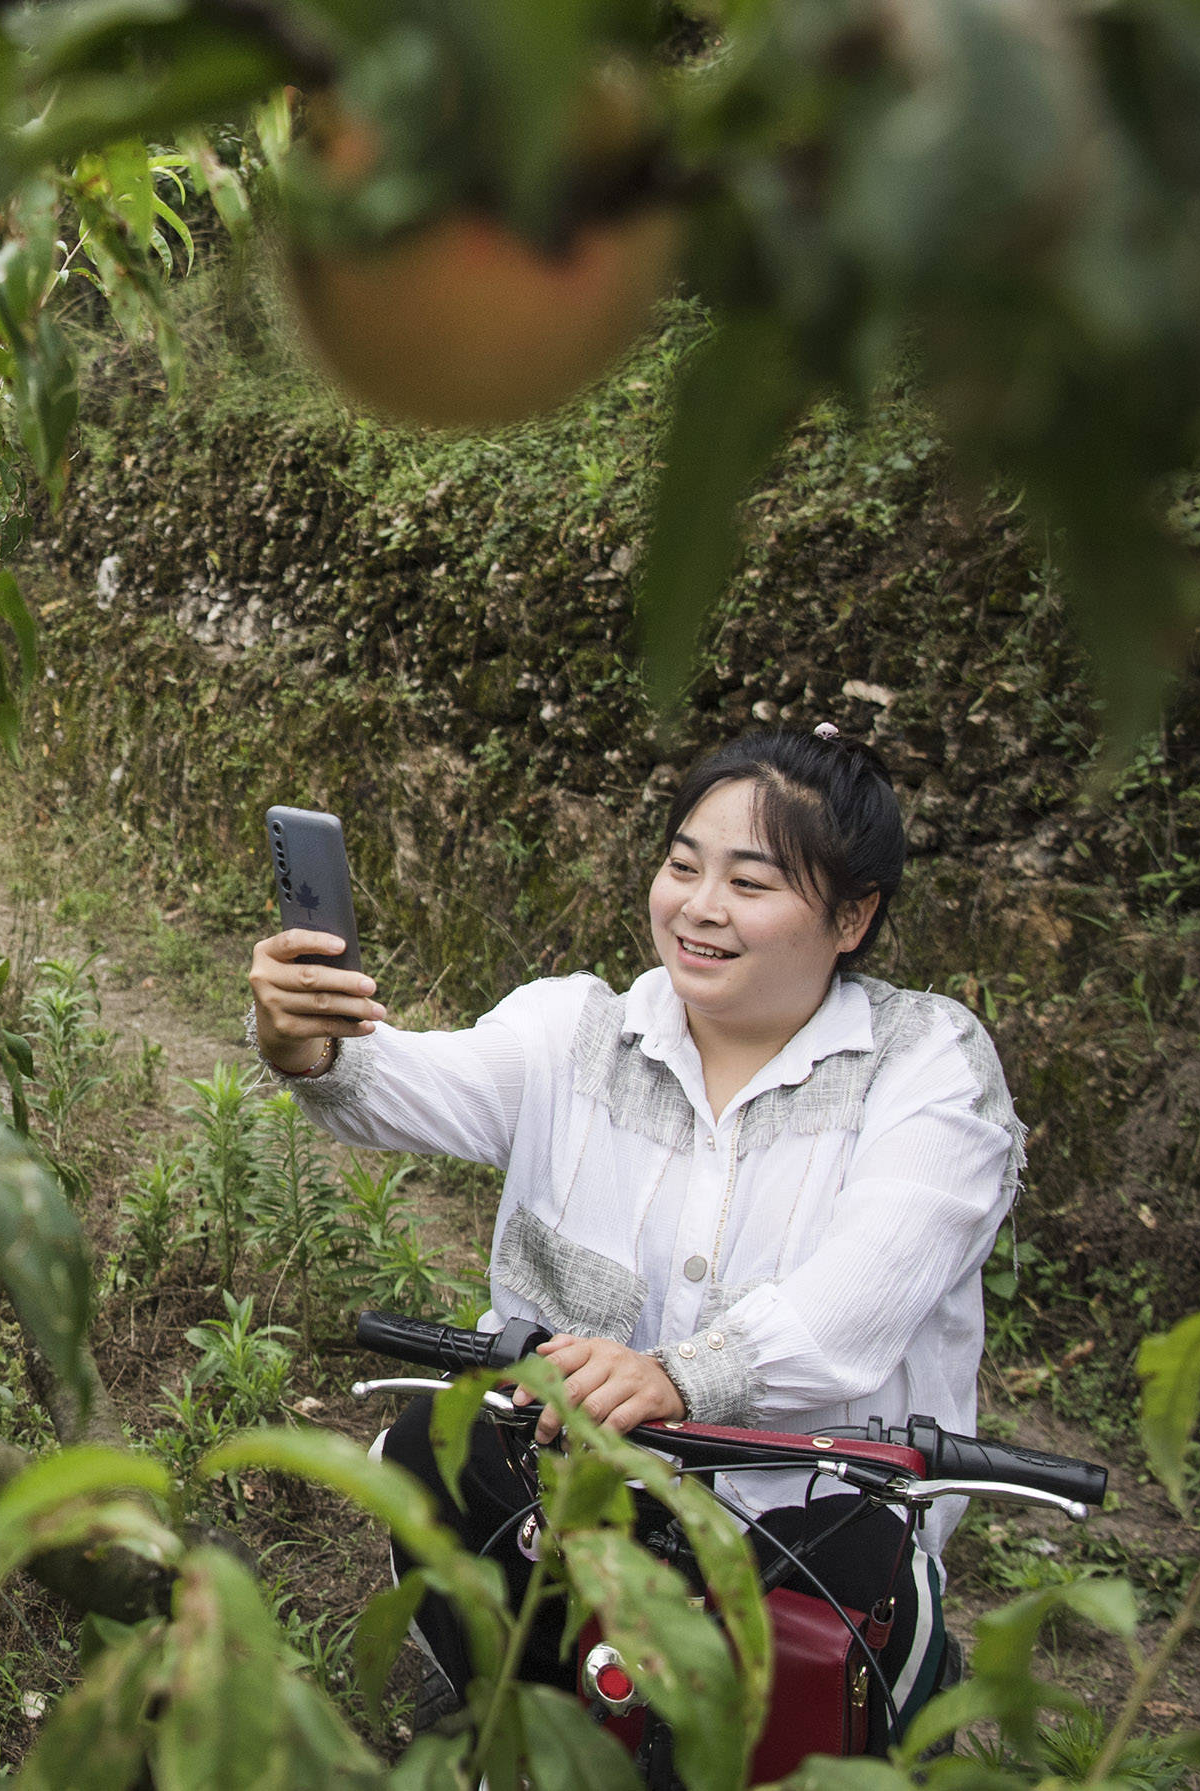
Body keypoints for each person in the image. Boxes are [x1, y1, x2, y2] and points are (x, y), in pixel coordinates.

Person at [246, 724, 1021, 1735]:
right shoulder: (576, 1031)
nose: (700, 906)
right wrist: (308, 1043)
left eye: (752, 882)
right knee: (436, 1470)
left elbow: (858, 1299)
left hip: (801, 1524)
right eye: (682, 865)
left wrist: (679, 1374)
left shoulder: (927, 1067)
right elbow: (397, 1084)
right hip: (565, 1488)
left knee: (800, 1701)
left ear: (852, 915)